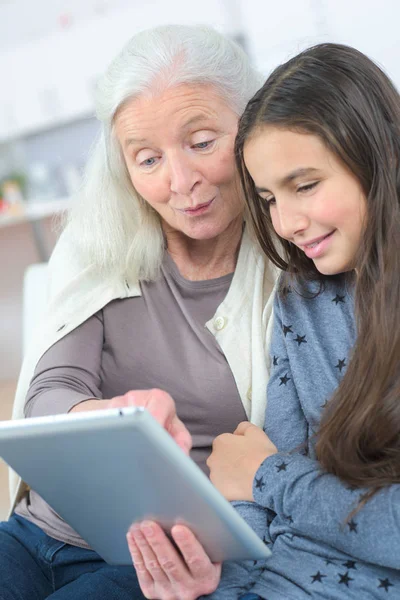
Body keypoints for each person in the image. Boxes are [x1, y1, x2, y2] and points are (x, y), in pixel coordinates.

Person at [0, 25, 277, 600]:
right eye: (148, 159)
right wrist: (107, 414)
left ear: (254, 127)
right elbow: (49, 390)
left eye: (202, 142)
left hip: (163, 561)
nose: (181, 183)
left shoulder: (294, 258)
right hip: (36, 531)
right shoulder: (96, 242)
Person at [127, 43, 400, 599]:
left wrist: (269, 476)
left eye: (305, 186)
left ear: (380, 158)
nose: (287, 222)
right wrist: (217, 571)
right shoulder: (303, 295)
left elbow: (263, 472)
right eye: (269, 197)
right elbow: (256, 481)